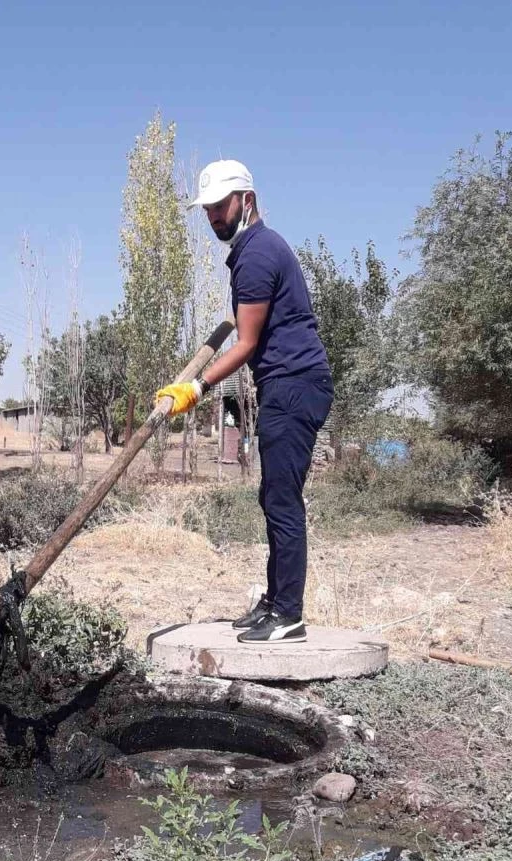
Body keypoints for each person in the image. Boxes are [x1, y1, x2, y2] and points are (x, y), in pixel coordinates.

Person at [157, 160, 333, 643]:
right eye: (207, 209)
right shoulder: (254, 250)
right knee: (272, 495)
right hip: (288, 384)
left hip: (294, 384)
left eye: (220, 206)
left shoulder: (256, 256)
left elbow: (246, 343)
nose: (213, 216)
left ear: (246, 200)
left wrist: (196, 388)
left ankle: (289, 615)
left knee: (281, 499)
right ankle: (275, 602)